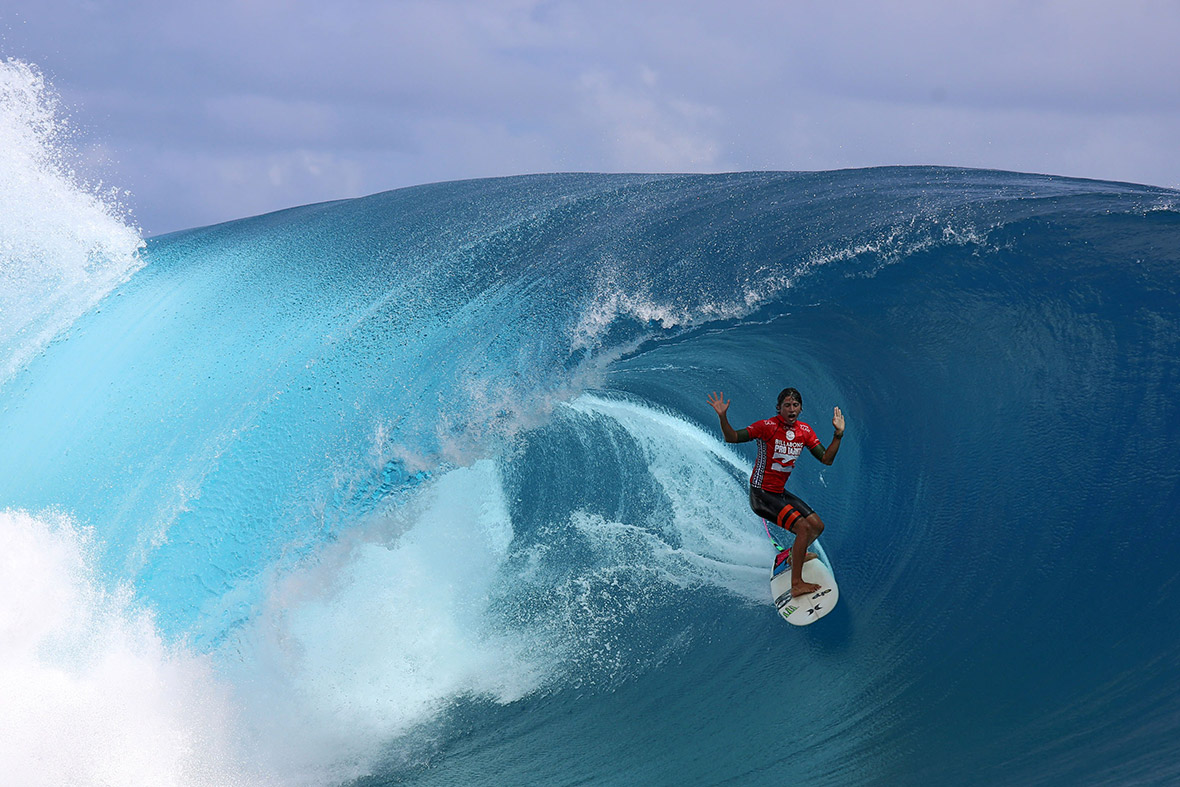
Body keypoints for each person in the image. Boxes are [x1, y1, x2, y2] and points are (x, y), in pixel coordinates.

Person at [707, 387, 844, 597]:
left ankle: (792, 558)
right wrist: (723, 417)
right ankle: (796, 583)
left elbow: (827, 459)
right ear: (779, 408)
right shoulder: (767, 427)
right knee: (803, 528)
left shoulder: (804, 431)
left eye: (795, 405)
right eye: (787, 405)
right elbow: (732, 437)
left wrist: (838, 434)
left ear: (800, 409)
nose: (791, 409)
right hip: (761, 494)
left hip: (779, 492)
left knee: (817, 526)